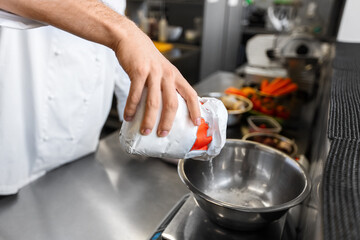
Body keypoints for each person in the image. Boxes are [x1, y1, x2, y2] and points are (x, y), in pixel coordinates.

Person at [0, 0, 201, 195]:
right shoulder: (122, 29)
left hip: (83, 153)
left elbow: (115, 48)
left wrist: (155, 125)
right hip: (19, 151)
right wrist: (123, 31)